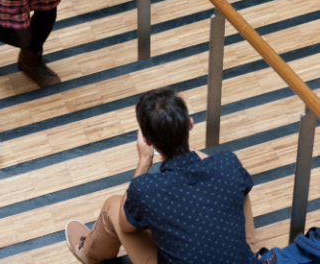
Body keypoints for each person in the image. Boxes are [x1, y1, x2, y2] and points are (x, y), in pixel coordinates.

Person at [65, 88, 258, 264]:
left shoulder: (146, 190)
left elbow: (125, 224)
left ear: (146, 140)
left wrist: (144, 160)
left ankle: (87, 253)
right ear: (190, 124)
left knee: (115, 206)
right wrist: (177, 140)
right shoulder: (228, 162)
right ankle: (249, 247)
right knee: (237, 181)